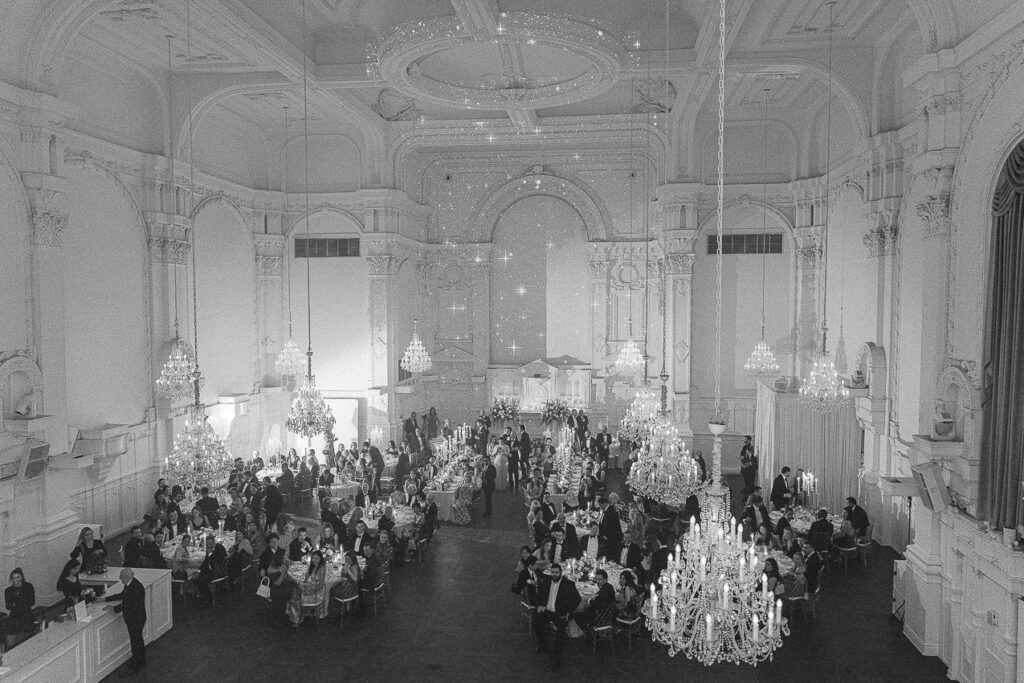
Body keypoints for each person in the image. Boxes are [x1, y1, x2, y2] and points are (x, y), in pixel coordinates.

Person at [532, 563, 581, 671]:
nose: (554, 575)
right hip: (546, 611)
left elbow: (577, 599)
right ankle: (543, 642)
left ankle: (556, 659)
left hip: (560, 614)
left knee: (560, 636)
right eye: (552, 572)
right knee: (535, 622)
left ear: (560, 573)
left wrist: (569, 612)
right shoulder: (546, 581)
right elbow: (538, 595)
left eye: (556, 573)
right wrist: (539, 605)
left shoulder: (568, 584)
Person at [105, 568, 147, 674]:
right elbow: (123, 595)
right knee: (137, 639)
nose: (119, 578)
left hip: (135, 619)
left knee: (135, 640)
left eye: (121, 576)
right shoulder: (132, 584)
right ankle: (140, 660)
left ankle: (135, 665)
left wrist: (114, 608)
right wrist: (105, 599)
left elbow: (129, 604)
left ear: (128, 576)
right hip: (137, 617)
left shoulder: (134, 587)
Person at [4, 568, 35, 649]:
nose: (15, 579)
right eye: (13, 578)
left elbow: (31, 602)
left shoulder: (28, 586)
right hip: (14, 616)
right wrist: (21, 602)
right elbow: (8, 606)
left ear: (21, 577)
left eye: (17, 577)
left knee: (24, 639)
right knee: (10, 634)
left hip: (26, 614)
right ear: (11, 579)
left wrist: (15, 603)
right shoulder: (8, 590)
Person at [597, 495, 624, 560]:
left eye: (600, 505)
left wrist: (606, 536)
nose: (600, 507)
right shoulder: (605, 510)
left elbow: (614, 527)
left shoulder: (611, 511)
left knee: (611, 555)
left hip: (611, 539)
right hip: (606, 538)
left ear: (605, 504)